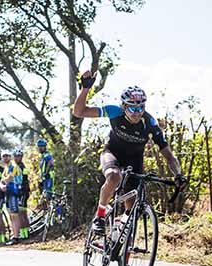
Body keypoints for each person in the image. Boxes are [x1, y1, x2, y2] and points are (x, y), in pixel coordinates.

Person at [73, 71, 187, 237]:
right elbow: (79, 112)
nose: (137, 112)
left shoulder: (149, 122)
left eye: (141, 107)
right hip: (112, 153)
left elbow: (168, 154)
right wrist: (85, 88)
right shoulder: (114, 112)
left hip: (134, 161)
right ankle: (100, 216)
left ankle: (121, 245)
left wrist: (178, 174)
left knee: (131, 214)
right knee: (113, 177)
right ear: (124, 106)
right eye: (133, 107)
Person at [0, 150, 23, 245]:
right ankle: (14, 236)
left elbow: (8, 179)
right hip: (8, 193)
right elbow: (1, 181)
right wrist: (2, 185)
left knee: (15, 215)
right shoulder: (5, 168)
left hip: (14, 192)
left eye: (7, 156)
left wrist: (3, 184)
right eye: (3, 156)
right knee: (11, 216)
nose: (5, 158)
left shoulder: (13, 166)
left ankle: (17, 237)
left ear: (10, 157)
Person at [13, 148, 30, 240]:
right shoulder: (20, 166)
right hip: (23, 191)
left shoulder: (20, 167)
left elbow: (20, 181)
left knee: (21, 213)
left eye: (18, 156)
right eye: (15, 156)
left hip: (22, 192)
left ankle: (24, 234)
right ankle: (26, 232)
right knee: (23, 213)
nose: (16, 158)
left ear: (21, 157)